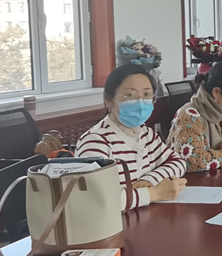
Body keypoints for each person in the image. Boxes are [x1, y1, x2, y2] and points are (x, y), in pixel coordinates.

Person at [76, 64, 187, 211]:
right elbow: (97, 200)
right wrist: (154, 193)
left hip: (144, 215)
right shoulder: (95, 141)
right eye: (129, 95)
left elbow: (178, 162)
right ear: (109, 99)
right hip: (115, 223)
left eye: (147, 95)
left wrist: (150, 179)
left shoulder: (146, 133)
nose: (140, 103)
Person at [167, 61, 222, 172]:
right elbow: (193, 162)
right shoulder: (189, 115)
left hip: (216, 176)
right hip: (189, 180)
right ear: (217, 92)